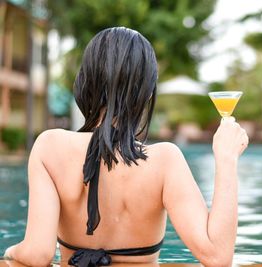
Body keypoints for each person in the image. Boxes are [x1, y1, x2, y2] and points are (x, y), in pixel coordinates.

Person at [4, 27, 248, 267]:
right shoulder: (165, 161)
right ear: (147, 92)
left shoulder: (49, 147)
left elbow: (37, 255)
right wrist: (226, 159)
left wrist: (11, 251)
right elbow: (218, 258)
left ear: (86, 81)